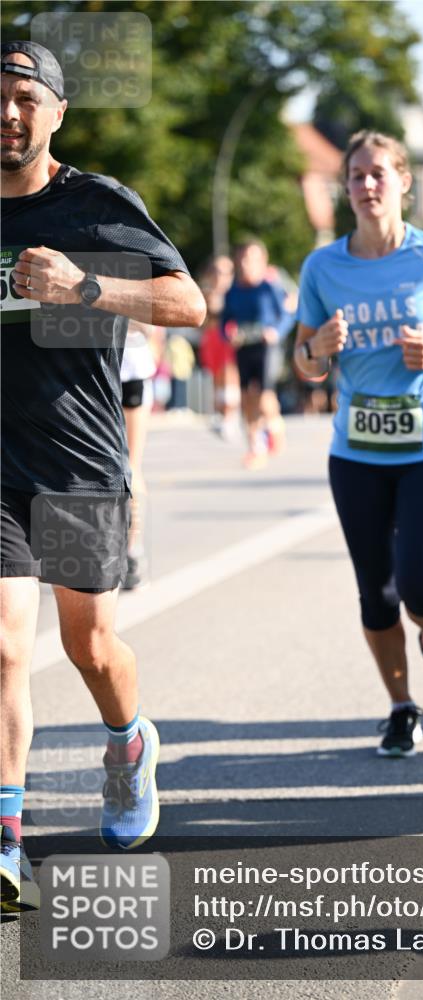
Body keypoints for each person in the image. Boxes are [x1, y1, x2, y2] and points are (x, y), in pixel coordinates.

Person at [0, 41, 206, 910]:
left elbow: (188, 305)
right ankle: (7, 838)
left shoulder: (95, 205)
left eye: (21, 97)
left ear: (55, 113)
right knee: (4, 646)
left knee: (88, 648)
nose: (6, 113)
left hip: (78, 463)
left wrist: (86, 287)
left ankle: (127, 742)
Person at [294, 130, 423, 757]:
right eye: (356, 175)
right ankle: (402, 707)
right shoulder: (323, 267)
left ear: (404, 181)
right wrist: (316, 351)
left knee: (422, 584)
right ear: (346, 187)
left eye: (379, 173)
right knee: (376, 593)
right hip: (355, 454)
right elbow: (304, 362)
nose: (367, 185)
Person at [221, 239, 295, 469]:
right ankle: (255, 447)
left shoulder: (270, 286)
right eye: (242, 258)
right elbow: (225, 322)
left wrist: (276, 332)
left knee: (264, 396)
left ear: (262, 262)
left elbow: (287, 315)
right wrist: (229, 335)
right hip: (244, 345)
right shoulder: (232, 291)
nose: (246, 263)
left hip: (267, 346)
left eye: (251, 259)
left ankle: (274, 426)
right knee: (246, 396)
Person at [120, 320, 161, 590]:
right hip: (87, 372)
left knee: (130, 466)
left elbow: (153, 325)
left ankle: (133, 551)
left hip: (130, 368)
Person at [198, 254, 240, 439]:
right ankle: (220, 412)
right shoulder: (205, 294)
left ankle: (231, 415)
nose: (220, 276)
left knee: (229, 375)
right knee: (216, 376)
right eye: (216, 271)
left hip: (228, 335)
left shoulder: (235, 293)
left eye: (225, 272)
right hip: (211, 337)